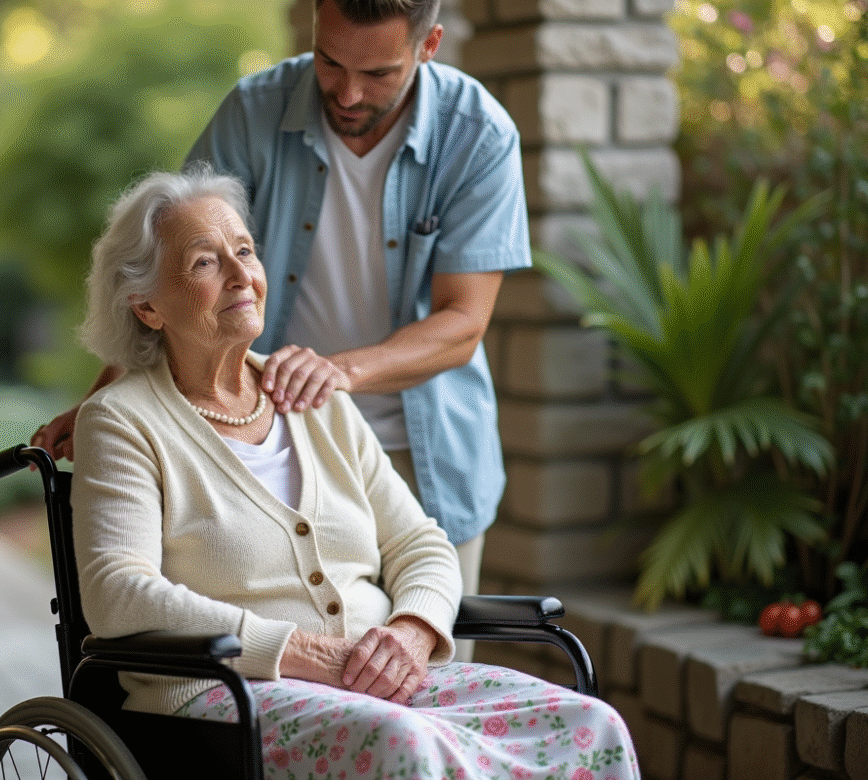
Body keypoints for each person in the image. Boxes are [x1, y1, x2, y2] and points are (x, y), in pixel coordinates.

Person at [71, 166, 639, 780]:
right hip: (223, 695)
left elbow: (420, 543)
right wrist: (296, 651)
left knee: (589, 724)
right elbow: (116, 591)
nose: (242, 276)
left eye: (245, 251)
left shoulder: (314, 399)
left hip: (383, 686)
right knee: (404, 744)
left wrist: (413, 631)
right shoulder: (121, 421)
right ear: (147, 305)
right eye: (205, 263)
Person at [36, 0, 532, 631]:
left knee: (423, 654)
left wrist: (337, 374)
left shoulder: (477, 134)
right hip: (269, 439)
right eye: (329, 62)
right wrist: (107, 401)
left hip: (419, 450)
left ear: (429, 44)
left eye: (378, 73)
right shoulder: (255, 109)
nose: (348, 93)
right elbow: (168, 264)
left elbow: (463, 322)